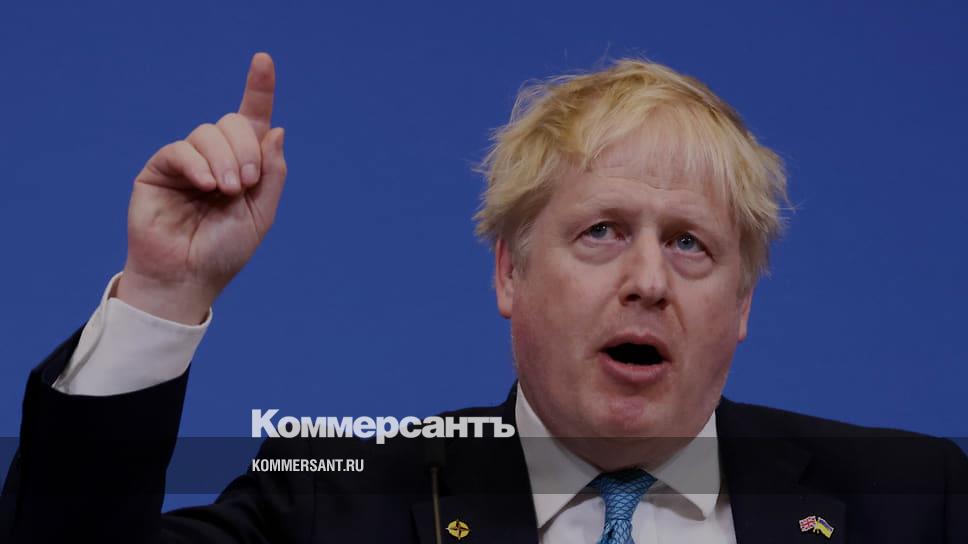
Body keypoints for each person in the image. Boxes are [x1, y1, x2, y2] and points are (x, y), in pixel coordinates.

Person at [1, 52, 965, 543]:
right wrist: (164, 291)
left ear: (742, 303)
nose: (647, 280)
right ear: (509, 271)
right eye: (601, 231)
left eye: (690, 245)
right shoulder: (335, 501)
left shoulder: (921, 503)